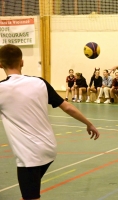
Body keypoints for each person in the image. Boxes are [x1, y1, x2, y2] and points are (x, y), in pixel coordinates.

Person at [0, 44, 100, 200]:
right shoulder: (39, 82)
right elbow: (67, 107)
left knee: (31, 196)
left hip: (29, 156)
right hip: (49, 149)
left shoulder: (2, 89)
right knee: (30, 191)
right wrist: (89, 123)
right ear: (22, 62)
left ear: (0, 64)